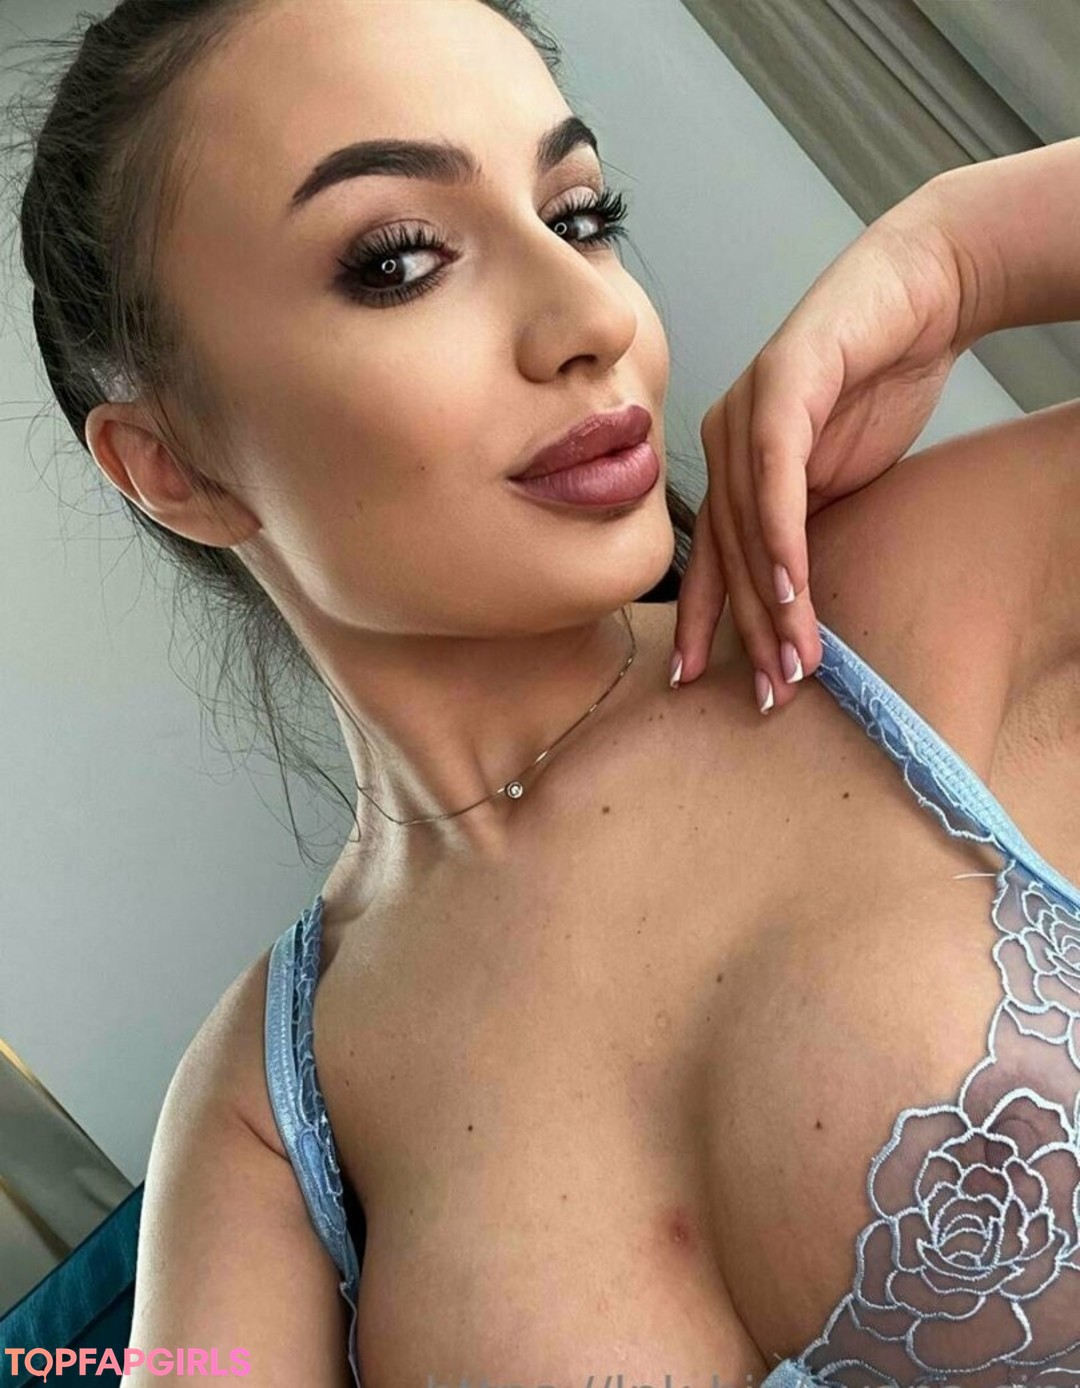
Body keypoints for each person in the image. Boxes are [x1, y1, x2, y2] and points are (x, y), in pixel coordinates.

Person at [11, 0, 1079, 1383]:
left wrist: (957, 251)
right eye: (399, 261)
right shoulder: (266, 1117)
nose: (594, 315)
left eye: (579, 216)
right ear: (173, 465)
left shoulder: (908, 601)